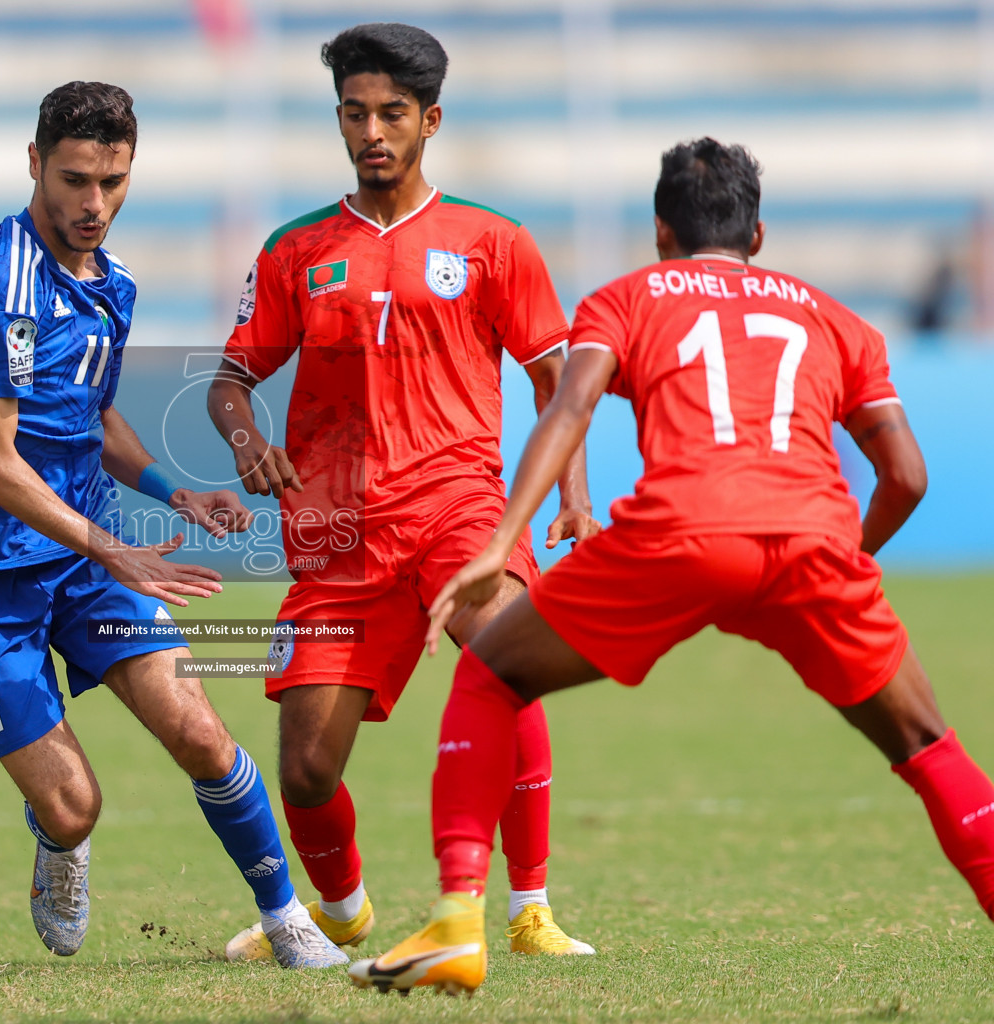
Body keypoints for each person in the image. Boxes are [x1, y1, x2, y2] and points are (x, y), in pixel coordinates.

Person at [351, 137, 994, 996]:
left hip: (679, 534)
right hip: (810, 543)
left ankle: (458, 922)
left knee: (494, 675)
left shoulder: (628, 297)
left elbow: (569, 406)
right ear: (758, 235)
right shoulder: (834, 319)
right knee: (927, 745)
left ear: (661, 232)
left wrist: (503, 542)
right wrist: (841, 562)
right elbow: (907, 476)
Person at [0, 81, 348, 969]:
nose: (93, 204)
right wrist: (117, 550)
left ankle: (289, 918)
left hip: (87, 554)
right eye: (73, 180)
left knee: (203, 736)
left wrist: (173, 491)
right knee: (74, 807)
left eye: (112, 182)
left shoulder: (114, 285)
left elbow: (92, 419)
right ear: (33, 165)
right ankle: (59, 841)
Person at [207, 23, 597, 961]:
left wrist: (570, 497)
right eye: (354, 113)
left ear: (430, 119)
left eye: (390, 113)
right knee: (304, 769)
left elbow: (560, 382)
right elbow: (228, 380)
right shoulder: (297, 248)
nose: (372, 131)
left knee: (507, 655)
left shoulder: (492, 241)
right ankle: (340, 915)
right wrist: (247, 439)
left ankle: (530, 910)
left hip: (458, 508)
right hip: (338, 537)